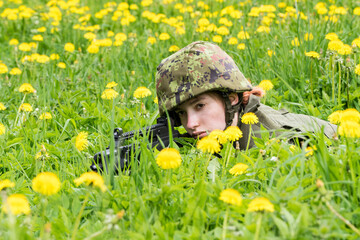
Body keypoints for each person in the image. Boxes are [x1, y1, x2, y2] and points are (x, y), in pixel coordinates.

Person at [155, 41, 337, 150]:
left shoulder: (267, 142)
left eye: (200, 106)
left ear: (232, 99)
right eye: (181, 113)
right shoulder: (228, 126)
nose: (190, 123)